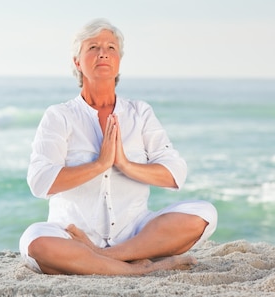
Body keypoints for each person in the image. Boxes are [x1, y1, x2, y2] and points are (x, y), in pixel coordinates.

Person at [19, 19, 217, 276]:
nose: (103, 52)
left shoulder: (140, 113)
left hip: (134, 232)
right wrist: (100, 164)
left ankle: (103, 257)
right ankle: (137, 270)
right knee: (35, 242)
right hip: (71, 233)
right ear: (77, 62)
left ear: (118, 61)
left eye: (111, 47)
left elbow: (174, 173)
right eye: (93, 47)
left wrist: (124, 164)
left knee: (203, 214)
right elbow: (40, 182)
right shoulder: (59, 116)